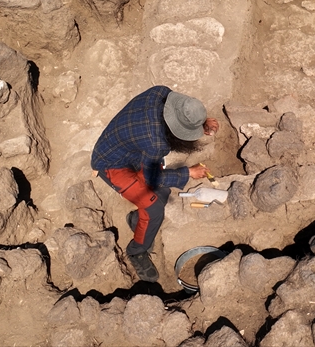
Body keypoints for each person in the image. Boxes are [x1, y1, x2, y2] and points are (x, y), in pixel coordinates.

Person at [90, 86, 219, 282]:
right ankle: (136, 251)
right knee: (153, 207)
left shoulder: (160, 92)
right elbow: (151, 178)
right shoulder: (156, 142)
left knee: (162, 191)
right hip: (111, 163)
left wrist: (199, 122)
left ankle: (137, 221)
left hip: (129, 148)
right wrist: (188, 172)